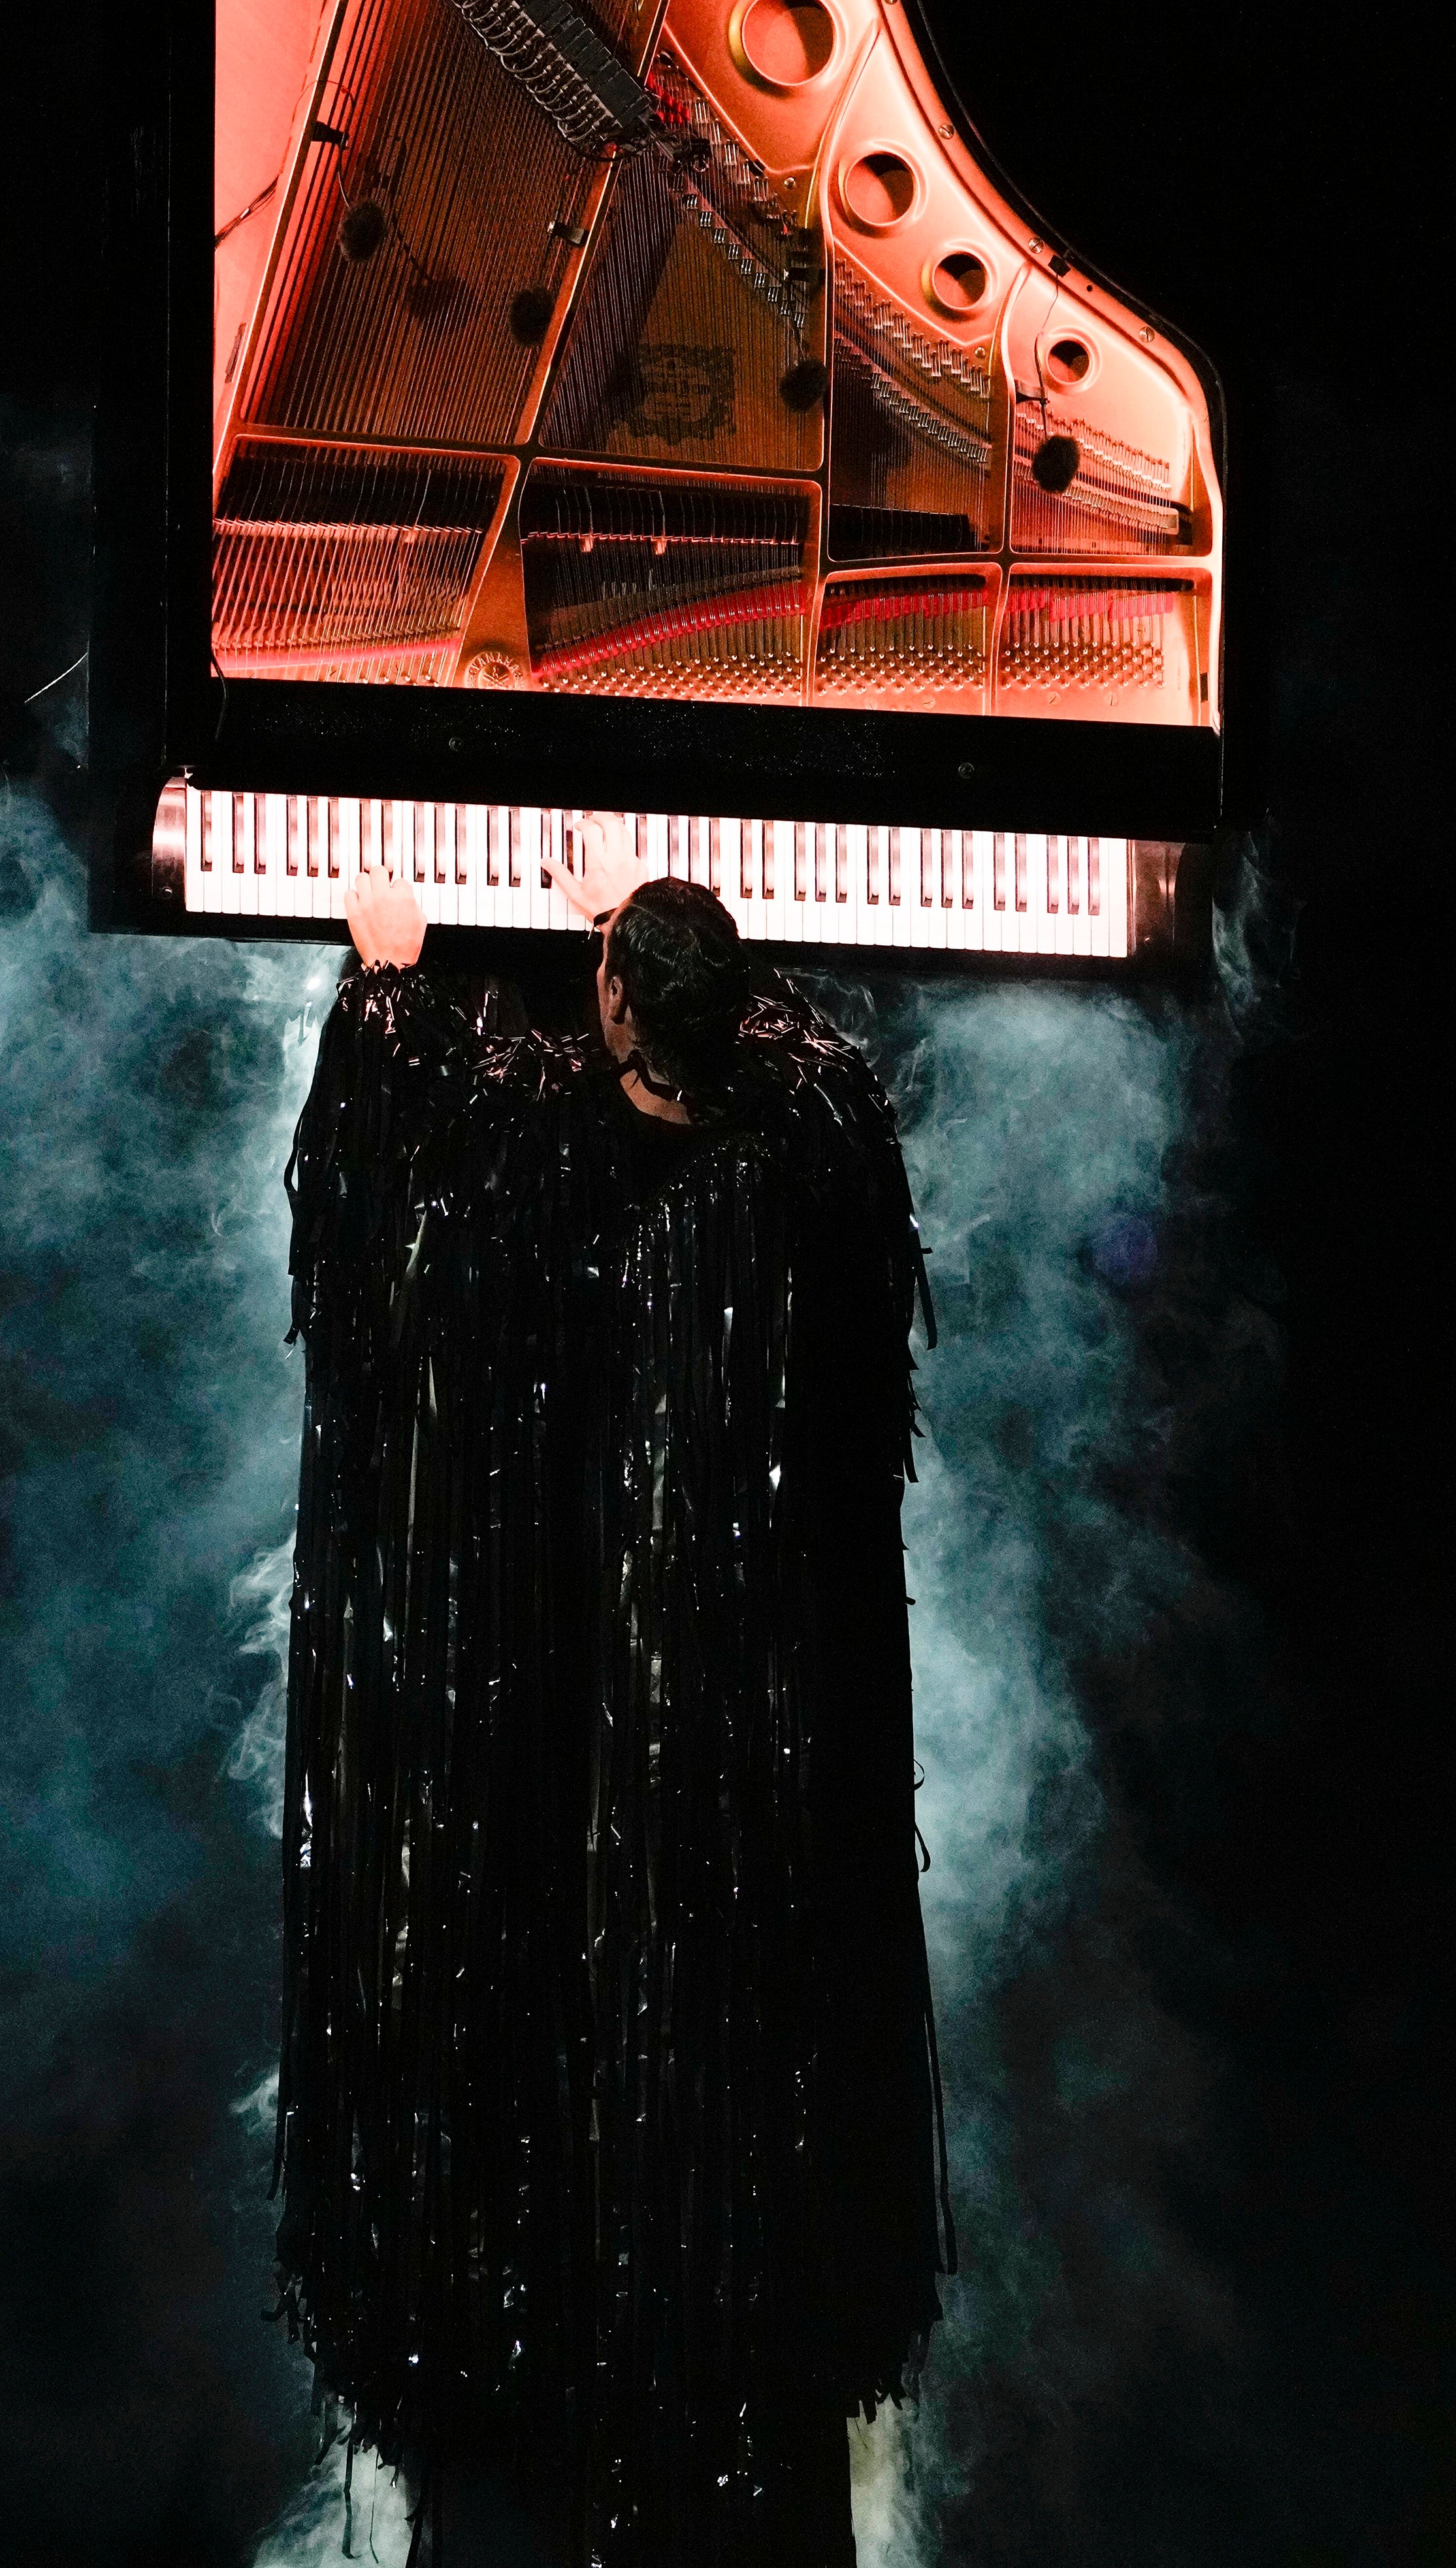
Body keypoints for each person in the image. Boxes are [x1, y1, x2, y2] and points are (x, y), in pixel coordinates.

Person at [270, 814, 953, 2566]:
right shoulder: (792, 1170)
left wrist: (386, 981)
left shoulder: (532, 1176)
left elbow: (378, 1244)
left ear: (608, 1008)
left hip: (557, 1721)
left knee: (547, 2035)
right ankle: (697, 2361)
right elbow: (822, 1078)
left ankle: (557, 2357)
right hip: (731, 1762)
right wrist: (647, 937)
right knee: (703, 2081)